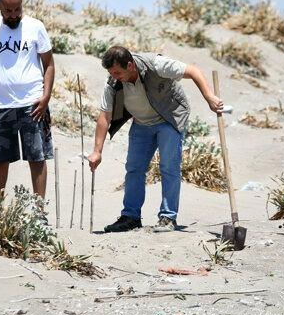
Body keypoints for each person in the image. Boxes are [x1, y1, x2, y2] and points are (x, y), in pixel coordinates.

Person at [88, 46, 223, 233]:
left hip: (169, 117)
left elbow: (192, 71)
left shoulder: (156, 64)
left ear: (130, 65)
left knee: (168, 167)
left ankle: (168, 217)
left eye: (118, 72)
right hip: (142, 122)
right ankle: (130, 217)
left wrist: (209, 97)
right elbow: (105, 116)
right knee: (134, 168)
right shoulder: (113, 81)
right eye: (111, 73)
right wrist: (97, 151)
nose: (115, 76)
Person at [0, 0, 55, 198]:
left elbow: (48, 64)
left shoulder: (36, 27)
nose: (13, 15)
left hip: (33, 102)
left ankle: (39, 213)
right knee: (0, 159)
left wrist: (46, 96)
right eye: (8, 11)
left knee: (37, 157)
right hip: (1, 104)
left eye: (17, 9)